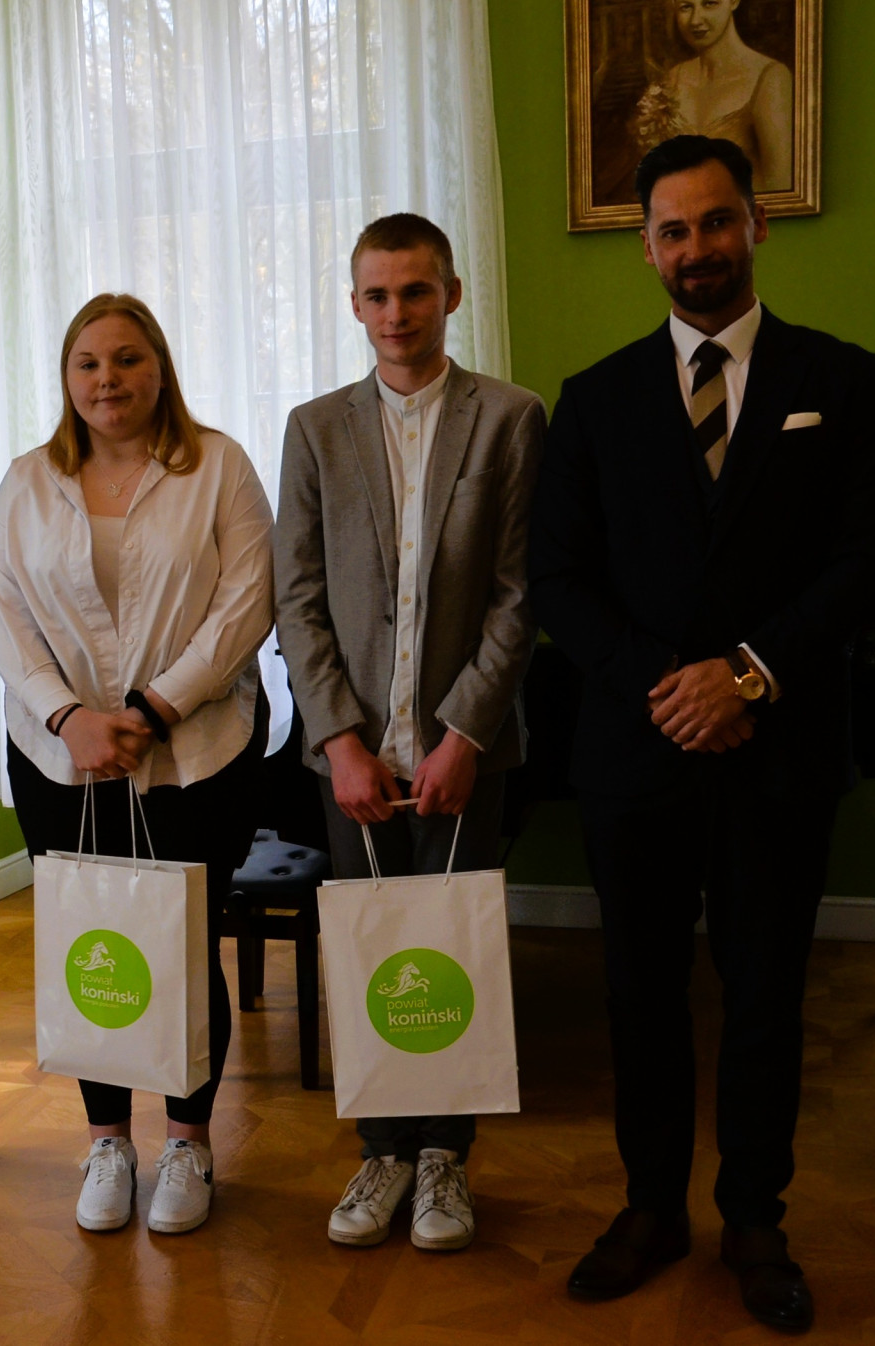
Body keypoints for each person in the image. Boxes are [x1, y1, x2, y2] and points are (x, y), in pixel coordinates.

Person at [530, 135, 875, 1332]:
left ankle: (755, 1216)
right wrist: (673, 686)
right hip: (636, 750)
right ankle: (651, 1206)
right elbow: (557, 579)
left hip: (777, 750)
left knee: (765, 997)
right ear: (646, 247)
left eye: (716, 221)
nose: (697, 246)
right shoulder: (592, 399)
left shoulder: (843, 379)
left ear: (757, 224)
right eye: (673, 229)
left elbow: (871, 563)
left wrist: (746, 676)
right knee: (639, 995)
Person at [275, 214, 546, 1254]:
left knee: (453, 955)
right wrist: (338, 739)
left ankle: (445, 1157)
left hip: (462, 752)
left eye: (416, 291)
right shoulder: (314, 428)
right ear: (355, 303)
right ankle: (382, 1149)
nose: (397, 313)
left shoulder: (511, 418)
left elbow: (519, 595)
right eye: (378, 295)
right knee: (371, 955)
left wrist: (466, 732)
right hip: (354, 757)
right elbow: (297, 598)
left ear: (451, 295)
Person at [0, 292, 274, 1236]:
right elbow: (2, 614)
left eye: (126, 359)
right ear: (67, 379)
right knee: (91, 945)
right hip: (59, 758)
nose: (107, 379)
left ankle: (188, 1142)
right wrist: (69, 717)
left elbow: (247, 601)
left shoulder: (219, 465)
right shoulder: (28, 480)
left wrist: (152, 709)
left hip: (196, 752)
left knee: (185, 943)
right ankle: (108, 1141)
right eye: (88, 363)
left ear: (159, 369)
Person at [632, 0, 794, 193]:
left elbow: (780, 184)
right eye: (686, 7)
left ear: (733, 2)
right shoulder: (672, 80)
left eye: (709, 4)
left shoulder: (770, 78)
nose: (695, 20)